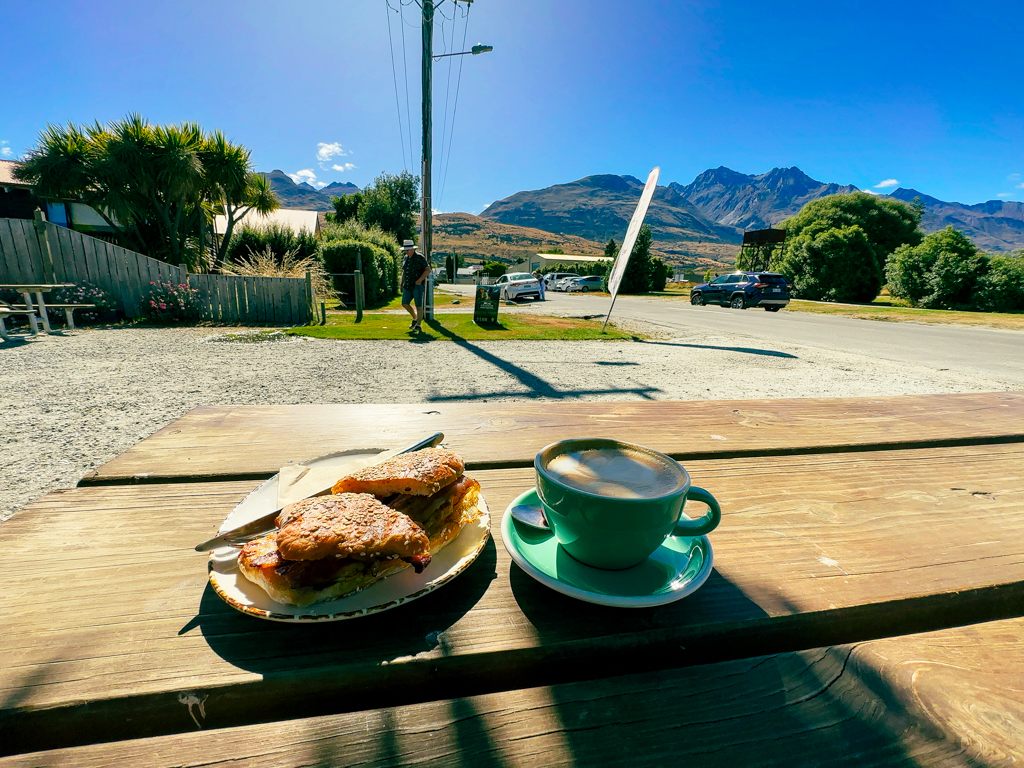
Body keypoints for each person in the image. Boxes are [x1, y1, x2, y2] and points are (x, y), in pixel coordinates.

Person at [400, 239, 430, 332]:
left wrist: (420, 280)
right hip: (407, 285)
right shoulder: (406, 258)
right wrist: (401, 283)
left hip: (417, 286)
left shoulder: (420, 257)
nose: (407, 252)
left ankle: (418, 325)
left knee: (418, 305)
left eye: (408, 250)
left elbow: (428, 270)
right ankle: (415, 318)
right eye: (406, 250)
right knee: (404, 303)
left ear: (413, 249)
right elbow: (404, 272)